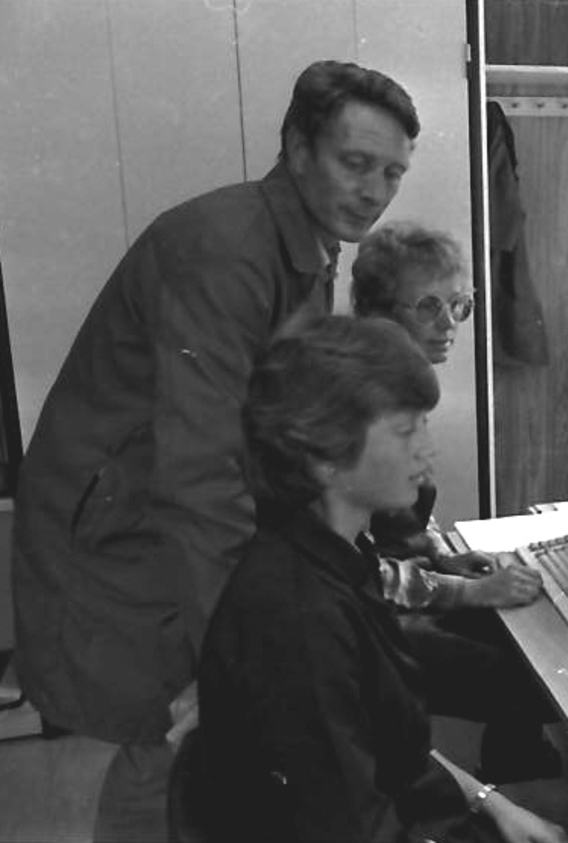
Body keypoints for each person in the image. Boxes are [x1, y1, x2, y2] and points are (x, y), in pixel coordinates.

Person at [11, 59, 418, 840]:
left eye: (392, 173)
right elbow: (201, 474)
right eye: (356, 163)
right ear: (296, 148)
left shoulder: (306, 242)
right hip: (124, 536)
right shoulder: (227, 247)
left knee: (189, 736)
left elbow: (277, 424)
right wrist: (247, 648)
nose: (374, 191)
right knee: (168, 737)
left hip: (152, 520)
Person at [198, 314, 568, 843]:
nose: (427, 450)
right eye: (405, 430)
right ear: (324, 455)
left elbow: (389, 744)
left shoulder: (341, 554)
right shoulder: (300, 620)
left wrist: (489, 802)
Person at [351, 220, 561, 783]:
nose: (449, 325)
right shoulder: (362, 403)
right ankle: (514, 790)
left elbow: (399, 516)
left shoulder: (397, 383)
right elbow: (357, 572)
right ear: (378, 313)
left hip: (399, 589)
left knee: (529, 625)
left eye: (459, 305)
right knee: (534, 678)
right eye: (428, 307)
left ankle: (517, 771)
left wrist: (443, 555)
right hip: (370, 623)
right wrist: (467, 591)